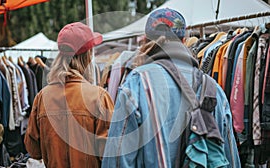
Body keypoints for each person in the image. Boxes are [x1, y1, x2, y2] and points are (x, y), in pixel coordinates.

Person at [102, 8, 241, 167]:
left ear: (147, 41)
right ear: (184, 41)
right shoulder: (213, 88)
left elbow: (117, 161)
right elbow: (230, 159)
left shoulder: (137, 84)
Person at [24, 22, 114, 168]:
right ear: (88, 55)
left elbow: (33, 150)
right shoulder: (99, 97)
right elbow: (110, 153)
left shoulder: (42, 98)